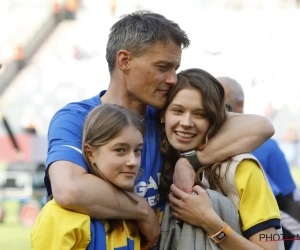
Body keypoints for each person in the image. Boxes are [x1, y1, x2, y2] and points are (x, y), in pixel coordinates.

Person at [46, 11, 274, 249]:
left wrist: (191, 160)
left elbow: (261, 127)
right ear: (124, 61)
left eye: (175, 68)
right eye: (163, 67)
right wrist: (141, 210)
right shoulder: (76, 119)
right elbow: (69, 189)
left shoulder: (170, 118)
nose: (173, 79)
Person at [159, 68, 282, 250]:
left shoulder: (242, 169)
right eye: (177, 111)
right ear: (162, 115)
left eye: (200, 114)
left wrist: (208, 221)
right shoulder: (151, 160)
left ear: (214, 120)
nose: (186, 122)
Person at [32, 104, 144, 249]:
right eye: (120, 150)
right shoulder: (59, 215)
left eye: (138, 151)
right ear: (91, 153)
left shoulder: (130, 217)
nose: (133, 162)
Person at [218, 75, 300, 250]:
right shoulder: (201, 144)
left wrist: (289, 241)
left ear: (239, 105)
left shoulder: (267, 145)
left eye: (222, 103)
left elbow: (289, 198)